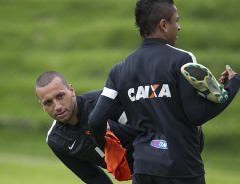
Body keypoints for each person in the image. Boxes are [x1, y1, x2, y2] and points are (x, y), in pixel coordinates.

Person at [88, 0, 240, 184]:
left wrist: (111, 150)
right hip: (182, 168)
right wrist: (233, 85)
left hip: (143, 168)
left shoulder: (119, 70)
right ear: (163, 24)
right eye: (176, 21)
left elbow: (95, 121)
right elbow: (197, 115)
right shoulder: (182, 59)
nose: (179, 27)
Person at [35, 71, 136, 184]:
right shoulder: (56, 140)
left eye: (60, 96)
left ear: (71, 90)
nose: (57, 106)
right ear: (42, 106)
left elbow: (147, 132)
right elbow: (92, 177)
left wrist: (109, 128)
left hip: (153, 160)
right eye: (48, 102)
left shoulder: (105, 103)